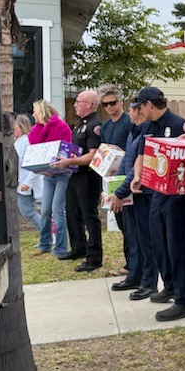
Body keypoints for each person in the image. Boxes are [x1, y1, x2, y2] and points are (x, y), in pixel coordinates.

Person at [130, 87, 185, 322]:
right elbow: (142, 154)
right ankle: (169, 285)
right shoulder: (148, 127)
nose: (138, 110)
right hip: (156, 192)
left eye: (140, 105)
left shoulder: (180, 125)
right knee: (158, 242)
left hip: (179, 196)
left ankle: (184, 299)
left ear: (150, 104)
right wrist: (138, 176)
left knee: (177, 245)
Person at [107, 100, 159, 297]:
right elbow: (125, 165)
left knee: (145, 239)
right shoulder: (134, 132)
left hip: (142, 192)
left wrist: (120, 192)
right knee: (133, 237)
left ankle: (148, 282)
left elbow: (141, 166)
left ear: (139, 110)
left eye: (131, 109)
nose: (128, 112)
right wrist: (114, 186)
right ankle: (134, 275)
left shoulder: (147, 132)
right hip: (129, 192)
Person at [53, 89, 103, 273]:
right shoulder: (79, 124)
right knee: (72, 211)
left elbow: (93, 155)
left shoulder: (94, 126)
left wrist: (71, 161)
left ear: (88, 104)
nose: (75, 104)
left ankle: (94, 257)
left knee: (89, 216)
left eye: (78, 101)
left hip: (88, 177)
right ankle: (78, 248)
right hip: (75, 173)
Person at [28, 99, 74, 258]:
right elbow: (35, 153)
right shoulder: (35, 131)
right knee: (46, 210)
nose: (33, 114)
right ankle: (45, 244)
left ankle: (61, 248)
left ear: (42, 112)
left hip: (63, 174)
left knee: (57, 210)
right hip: (48, 175)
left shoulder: (62, 127)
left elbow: (66, 150)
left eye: (35, 111)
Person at [99, 84, 133, 273]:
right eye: (105, 105)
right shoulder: (105, 126)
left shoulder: (128, 122)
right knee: (120, 222)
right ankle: (129, 262)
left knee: (130, 224)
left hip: (127, 176)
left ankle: (132, 265)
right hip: (111, 177)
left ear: (120, 102)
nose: (109, 107)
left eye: (112, 103)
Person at [13, 114, 43, 233]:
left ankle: (47, 235)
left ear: (20, 126)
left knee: (27, 211)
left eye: (14, 125)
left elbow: (34, 164)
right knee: (27, 210)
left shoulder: (27, 142)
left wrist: (28, 183)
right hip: (21, 182)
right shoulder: (17, 142)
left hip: (25, 182)